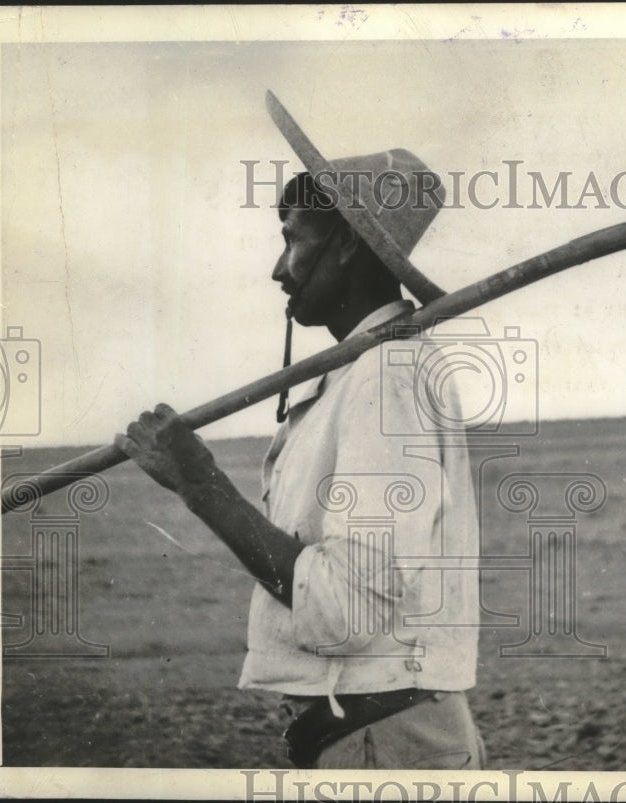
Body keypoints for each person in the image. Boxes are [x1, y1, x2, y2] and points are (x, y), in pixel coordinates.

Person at [115, 149, 485, 770]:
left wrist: (200, 484)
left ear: (343, 244)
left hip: (385, 747)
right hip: (366, 735)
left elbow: (346, 607)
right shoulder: (360, 374)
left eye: (292, 240)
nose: (278, 270)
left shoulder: (388, 376)